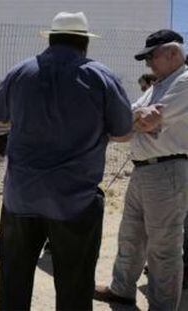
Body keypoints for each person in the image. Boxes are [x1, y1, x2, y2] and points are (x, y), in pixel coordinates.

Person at [0, 11, 132, 310]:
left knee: (13, 282)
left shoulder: (20, 72)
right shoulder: (102, 77)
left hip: (21, 197)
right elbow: (123, 133)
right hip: (75, 200)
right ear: (84, 43)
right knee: (74, 287)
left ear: (50, 39)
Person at [94, 29, 188, 310]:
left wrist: (136, 122)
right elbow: (123, 122)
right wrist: (135, 121)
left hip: (167, 169)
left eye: (152, 56)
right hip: (145, 169)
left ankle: (162, 306)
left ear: (173, 53)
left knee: (163, 247)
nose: (147, 64)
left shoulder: (184, 81)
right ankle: (121, 289)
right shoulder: (159, 86)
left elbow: (147, 121)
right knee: (131, 234)